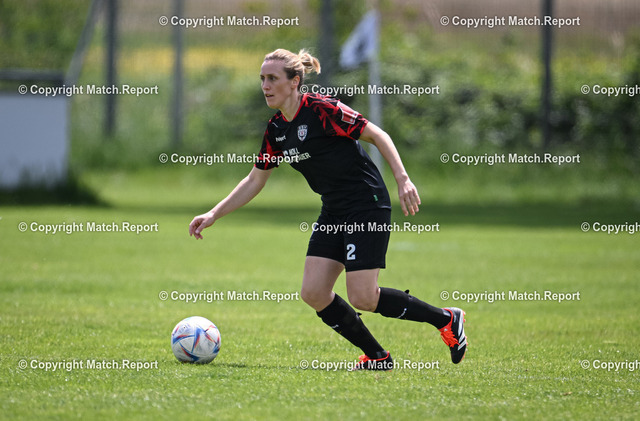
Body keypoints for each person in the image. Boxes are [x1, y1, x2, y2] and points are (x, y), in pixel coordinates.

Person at [188, 48, 467, 371]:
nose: (265, 86)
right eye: (262, 78)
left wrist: (403, 179)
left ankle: (446, 319)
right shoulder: (277, 129)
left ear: (294, 82)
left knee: (363, 297)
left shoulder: (322, 110)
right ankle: (378, 357)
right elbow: (255, 179)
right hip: (333, 210)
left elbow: (378, 135)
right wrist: (213, 214)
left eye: (273, 78)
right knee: (314, 292)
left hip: (366, 204)